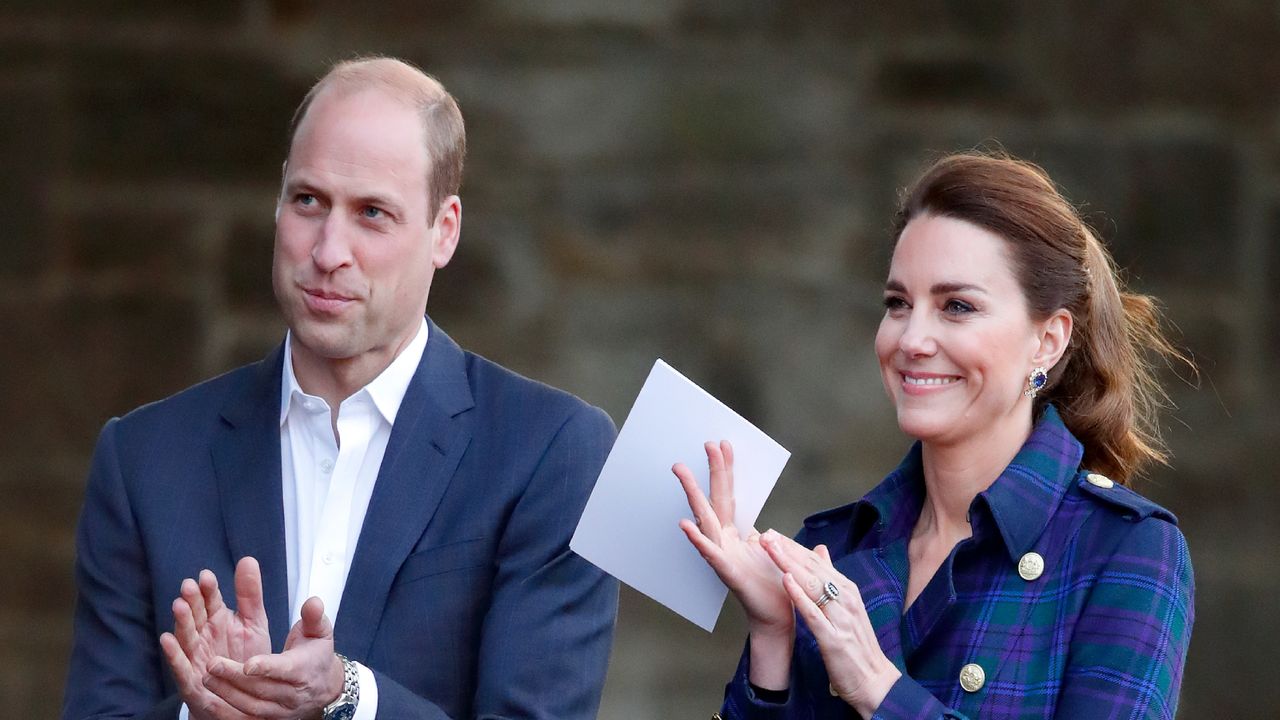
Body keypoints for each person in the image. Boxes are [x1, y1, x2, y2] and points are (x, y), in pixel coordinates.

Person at [62, 56, 619, 720]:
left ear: (445, 231)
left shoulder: (549, 453)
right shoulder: (143, 459)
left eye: (373, 214)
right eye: (309, 201)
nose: (329, 251)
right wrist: (208, 713)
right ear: (277, 203)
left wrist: (346, 696)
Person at [676, 152, 1194, 718]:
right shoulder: (833, 549)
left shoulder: (1123, 548)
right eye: (899, 303)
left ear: (1047, 341)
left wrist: (879, 687)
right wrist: (773, 637)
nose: (912, 338)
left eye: (957, 307)